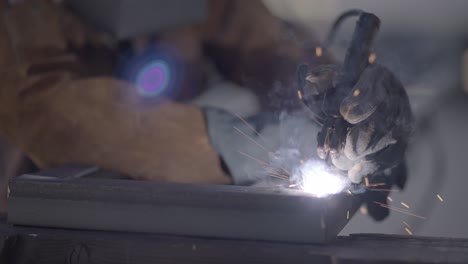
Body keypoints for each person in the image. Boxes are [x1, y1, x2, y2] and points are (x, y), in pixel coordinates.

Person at [0, 0, 412, 220]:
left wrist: (344, 94)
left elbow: (253, 33)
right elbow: (47, 109)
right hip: (36, 217)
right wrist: (274, 144)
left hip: (158, 208)